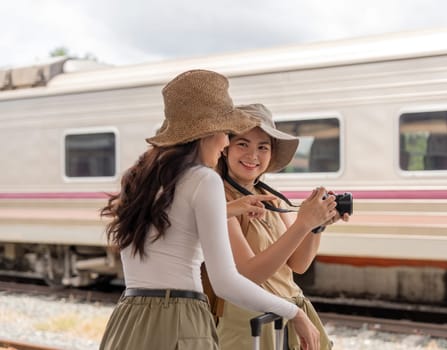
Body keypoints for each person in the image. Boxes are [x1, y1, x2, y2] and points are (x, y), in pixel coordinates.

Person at [99, 70, 321, 350]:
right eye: (226, 133)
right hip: (179, 320)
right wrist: (294, 313)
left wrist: (226, 210)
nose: (226, 142)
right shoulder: (205, 179)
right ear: (207, 132)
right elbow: (226, 282)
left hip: (129, 318)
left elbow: (175, 226)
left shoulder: (141, 178)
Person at [215, 103, 351, 350]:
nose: (253, 155)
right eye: (242, 144)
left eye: (263, 147)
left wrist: (316, 226)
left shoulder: (272, 198)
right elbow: (248, 274)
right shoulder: (219, 198)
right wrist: (303, 223)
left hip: (288, 314)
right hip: (248, 323)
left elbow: (298, 264)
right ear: (225, 149)